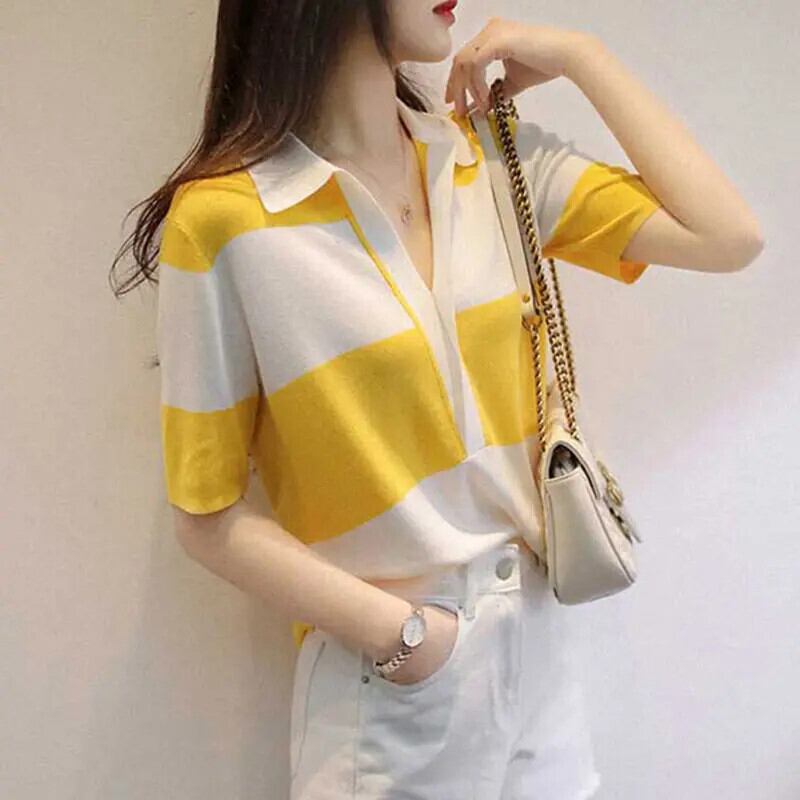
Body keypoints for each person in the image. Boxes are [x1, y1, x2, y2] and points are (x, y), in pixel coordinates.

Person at [110, 2, 764, 798]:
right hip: (395, 688)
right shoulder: (225, 221)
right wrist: (406, 637)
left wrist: (583, 56)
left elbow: (728, 236)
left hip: (540, 652)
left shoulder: (487, 161)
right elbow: (206, 514)